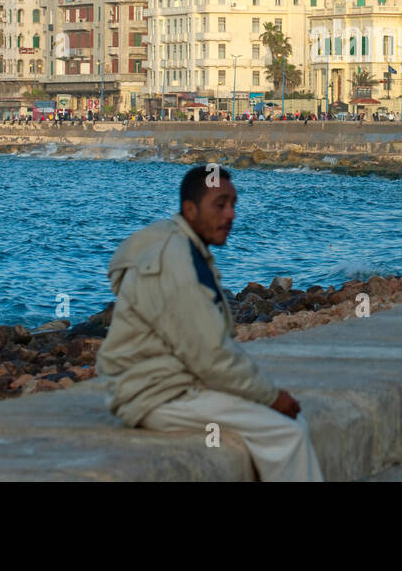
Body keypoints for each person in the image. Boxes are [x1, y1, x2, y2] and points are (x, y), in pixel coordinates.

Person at [96, 165, 322, 481]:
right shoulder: (178, 262)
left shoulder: (181, 243)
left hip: (174, 384)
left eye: (233, 204)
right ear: (190, 210)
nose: (231, 214)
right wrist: (271, 396)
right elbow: (211, 355)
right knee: (288, 435)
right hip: (154, 395)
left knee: (293, 424)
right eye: (220, 204)